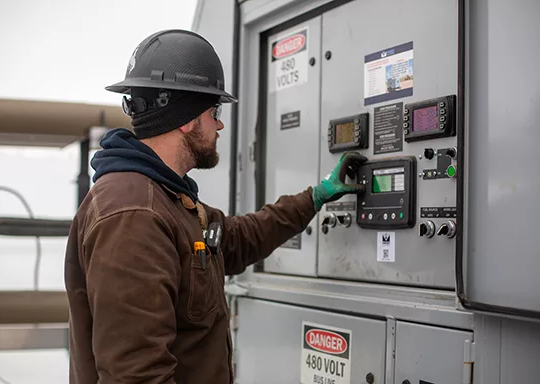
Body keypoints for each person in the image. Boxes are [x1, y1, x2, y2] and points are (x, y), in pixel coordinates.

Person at [64, 29, 366, 384]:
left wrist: (314, 197)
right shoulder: (135, 214)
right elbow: (137, 375)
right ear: (187, 119)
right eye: (214, 111)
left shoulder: (166, 199)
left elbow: (236, 239)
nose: (220, 123)